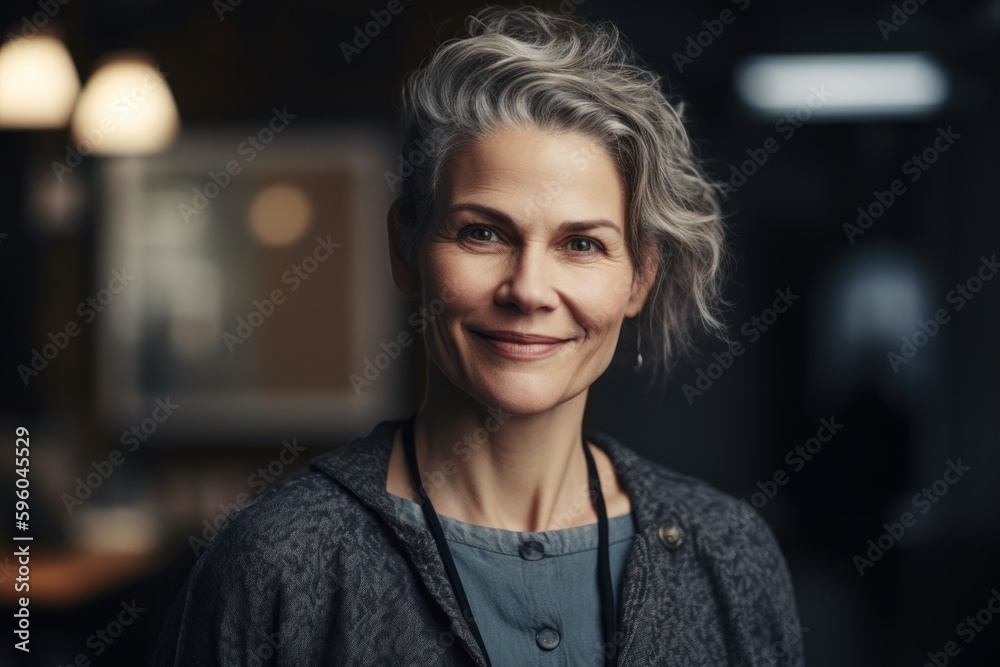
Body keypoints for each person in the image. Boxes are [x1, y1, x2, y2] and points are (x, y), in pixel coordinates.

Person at [152, 6, 804, 666]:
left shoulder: (728, 551)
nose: (528, 288)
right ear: (405, 249)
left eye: (582, 243)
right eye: (482, 233)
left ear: (638, 279)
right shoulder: (276, 562)